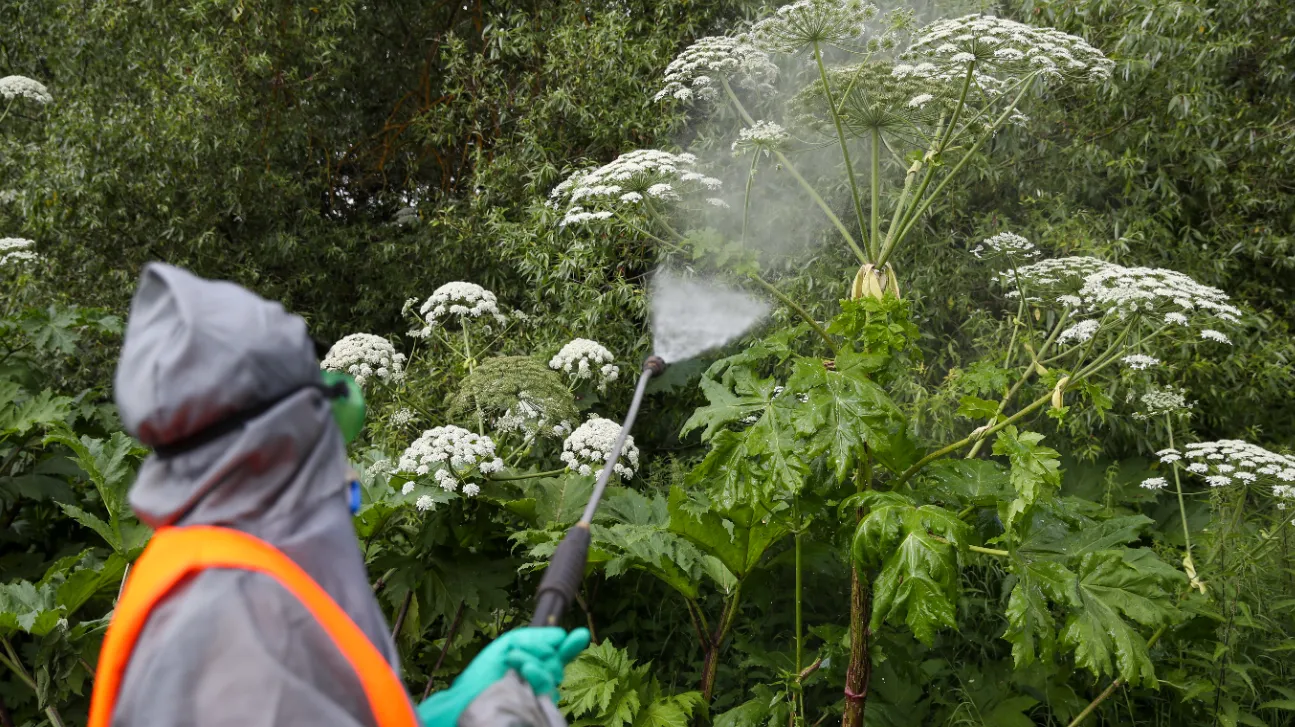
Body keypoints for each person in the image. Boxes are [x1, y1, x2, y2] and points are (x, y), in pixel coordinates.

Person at [89, 262, 588, 727]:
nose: (345, 463)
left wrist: (446, 711)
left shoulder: (216, 566)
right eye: (333, 422)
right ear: (284, 439)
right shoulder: (245, 622)